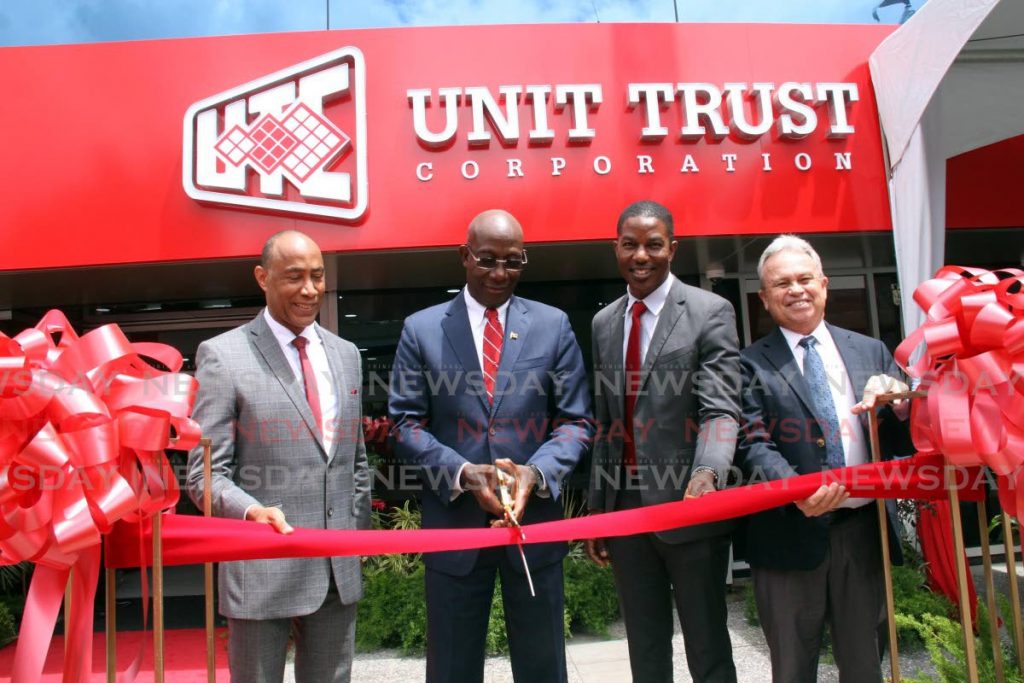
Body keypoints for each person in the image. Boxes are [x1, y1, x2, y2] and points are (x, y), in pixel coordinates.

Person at [388, 209, 593, 683]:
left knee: (543, 667)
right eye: (488, 260)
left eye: (513, 261)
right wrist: (464, 473)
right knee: (452, 668)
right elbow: (404, 423)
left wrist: (534, 474)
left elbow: (576, 421)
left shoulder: (553, 324)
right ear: (464, 256)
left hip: (533, 525)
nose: (501, 273)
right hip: (454, 526)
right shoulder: (422, 329)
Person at [185, 230, 370, 683]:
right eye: (294, 277)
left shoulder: (346, 355)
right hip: (261, 570)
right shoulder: (223, 356)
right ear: (262, 278)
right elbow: (204, 474)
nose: (309, 289)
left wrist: (356, 530)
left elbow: (355, 460)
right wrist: (250, 512)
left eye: (317, 276)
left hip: (335, 570)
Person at [738, 234, 911, 683]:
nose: (796, 289)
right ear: (764, 297)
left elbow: (903, 437)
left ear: (825, 284)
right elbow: (751, 441)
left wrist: (902, 403)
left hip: (861, 535)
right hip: (787, 534)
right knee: (792, 669)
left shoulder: (871, 350)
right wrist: (798, 491)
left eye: (804, 278)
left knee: (865, 665)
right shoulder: (746, 364)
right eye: (782, 283)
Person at [586, 200, 741, 683]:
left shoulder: (709, 310)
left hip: (691, 505)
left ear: (673, 248)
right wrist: (598, 512)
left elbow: (720, 408)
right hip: (628, 512)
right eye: (630, 245)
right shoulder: (604, 322)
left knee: (707, 645)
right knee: (645, 647)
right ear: (616, 248)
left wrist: (708, 472)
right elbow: (607, 424)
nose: (641, 256)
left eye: (653, 245)